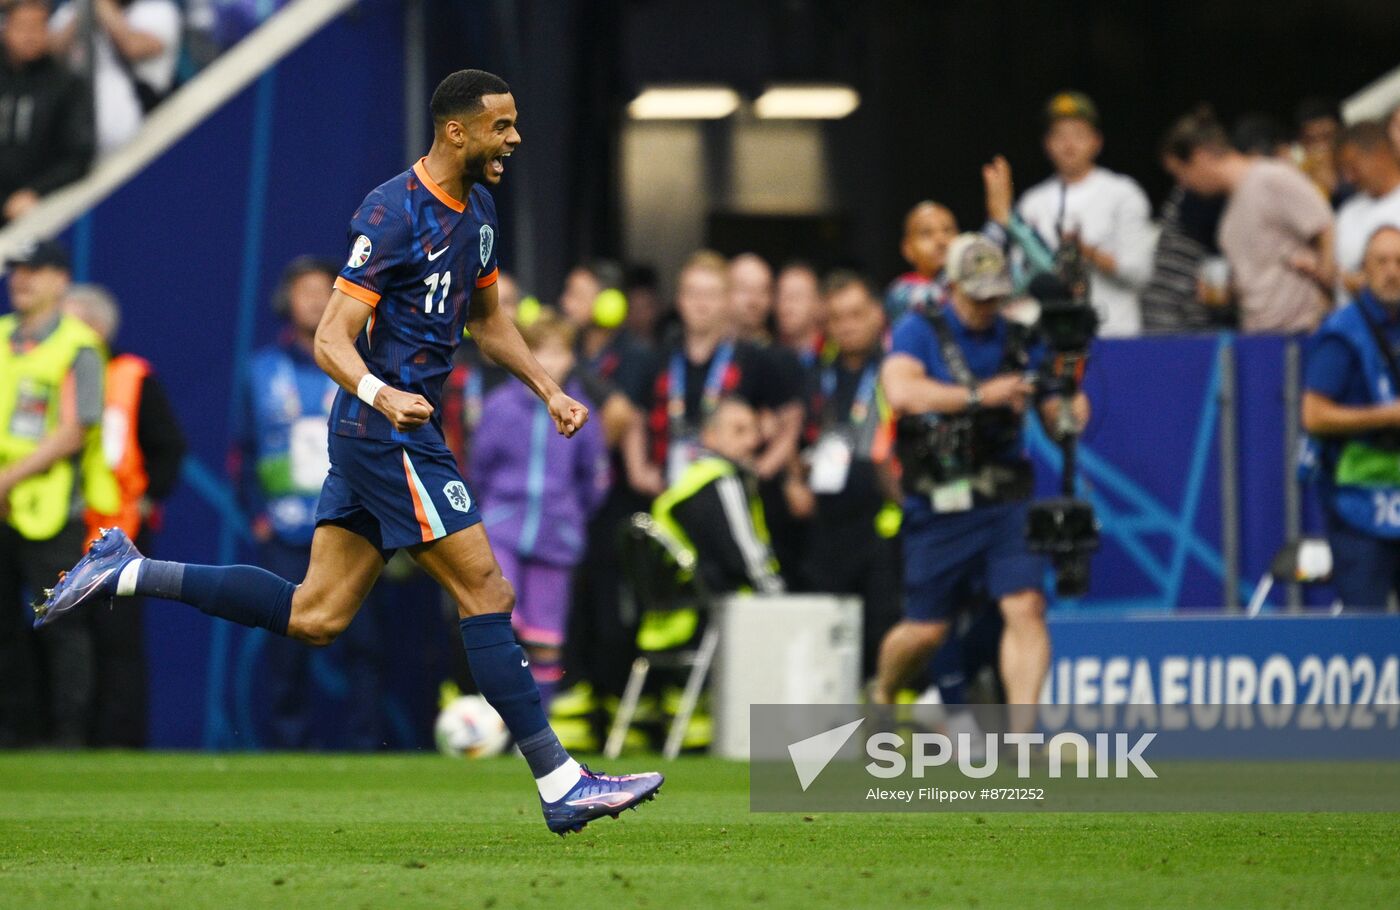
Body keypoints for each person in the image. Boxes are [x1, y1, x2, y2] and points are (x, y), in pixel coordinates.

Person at [35, 69, 661, 833]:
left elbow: (488, 322)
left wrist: (548, 389)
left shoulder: (482, 213)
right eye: (502, 125)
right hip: (387, 433)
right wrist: (383, 395)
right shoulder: (392, 211)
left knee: (317, 613)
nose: (515, 138)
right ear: (456, 130)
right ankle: (561, 782)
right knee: (487, 592)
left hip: (396, 432)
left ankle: (129, 569)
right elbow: (332, 338)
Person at [871, 234, 1088, 726]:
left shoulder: (1018, 339)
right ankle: (883, 690)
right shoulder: (917, 330)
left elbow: (1064, 420)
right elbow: (902, 393)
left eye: (995, 292)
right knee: (924, 631)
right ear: (952, 286)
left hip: (1005, 498)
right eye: (977, 293)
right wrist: (981, 395)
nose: (987, 304)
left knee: (1025, 605)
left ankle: (1023, 735)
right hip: (940, 501)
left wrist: (1068, 386)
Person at [235, 256, 390, 750]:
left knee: (364, 642)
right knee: (286, 648)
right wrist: (258, 518)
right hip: (284, 530)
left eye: (324, 291)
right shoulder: (259, 371)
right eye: (304, 292)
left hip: (351, 528)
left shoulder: (361, 368)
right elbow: (242, 454)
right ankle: (287, 747)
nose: (314, 301)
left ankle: (368, 746)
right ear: (286, 301)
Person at [0, 240, 117, 747]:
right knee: (5, 628)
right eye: (17, 270)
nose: (22, 280)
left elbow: (77, 429)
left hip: (53, 508)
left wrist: (6, 480)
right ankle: (17, 731)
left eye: (35, 270)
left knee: (61, 623)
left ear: (61, 280)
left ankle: (68, 737)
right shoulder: (2, 335)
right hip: (5, 505)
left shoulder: (79, 345)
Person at [63, 283, 185, 748]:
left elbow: (168, 448)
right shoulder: (51, 376)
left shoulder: (132, 376)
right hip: (54, 524)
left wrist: (147, 498)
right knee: (62, 635)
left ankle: (119, 741)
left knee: (117, 640)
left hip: (119, 533)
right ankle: (63, 737)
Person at [470, 312, 608, 709]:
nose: (550, 361)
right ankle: (498, 717)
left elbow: (594, 478)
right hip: (501, 530)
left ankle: (535, 729)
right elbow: (479, 468)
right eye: (539, 351)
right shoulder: (498, 406)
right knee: (499, 614)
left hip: (557, 535)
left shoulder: (583, 411)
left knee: (546, 639)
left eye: (560, 352)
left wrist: (570, 517)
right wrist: (492, 513)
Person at [783, 271, 900, 676]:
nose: (847, 325)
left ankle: (888, 722)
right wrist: (793, 481)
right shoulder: (814, 375)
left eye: (856, 314)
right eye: (837, 317)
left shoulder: (897, 370)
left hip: (882, 523)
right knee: (828, 635)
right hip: (826, 524)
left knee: (883, 628)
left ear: (878, 315)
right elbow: (795, 441)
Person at [1162, 108, 1335, 334]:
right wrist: (1228, 291)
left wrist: (1325, 304)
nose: (1184, 185)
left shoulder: (1270, 177)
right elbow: (1259, 275)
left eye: (1181, 173)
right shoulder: (1230, 211)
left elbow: (1326, 227)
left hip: (1300, 332)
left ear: (1200, 157)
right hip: (1258, 336)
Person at [1301, 225, 1400, 609]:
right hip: (1360, 503)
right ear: (1363, 272)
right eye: (1382, 262)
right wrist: (1387, 416)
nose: (1392, 271)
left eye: (1399, 262)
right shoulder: (1343, 332)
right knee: (1368, 626)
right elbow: (1314, 415)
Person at [1012, 91, 1154, 337]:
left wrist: (1086, 251)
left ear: (1096, 141)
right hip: (1050, 337)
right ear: (1047, 144)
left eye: (1079, 135)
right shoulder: (1032, 202)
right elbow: (1017, 274)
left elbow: (1141, 273)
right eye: (1059, 136)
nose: (1069, 145)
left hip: (1113, 332)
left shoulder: (1123, 192)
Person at [651, 396, 783, 602]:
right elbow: (748, 561)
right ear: (709, 436)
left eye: (754, 430)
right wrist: (780, 603)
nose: (752, 441)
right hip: (715, 618)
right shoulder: (723, 480)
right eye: (739, 431)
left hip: (677, 618)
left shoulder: (692, 478)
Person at [0, 0, 94, 224]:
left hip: (40, 209)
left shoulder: (66, 85)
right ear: (6, 30)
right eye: (22, 27)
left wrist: (35, 191)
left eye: (37, 27)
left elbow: (78, 155)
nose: (29, 36)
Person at [50, 0, 182, 155]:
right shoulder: (74, 11)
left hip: (151, 123)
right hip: (86, 130)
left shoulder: (156, 9)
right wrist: (82, 15)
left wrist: (103, 9)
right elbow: (48, 59)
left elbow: (132, 47)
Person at [1334, 121, 1400, 305]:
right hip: (1355, 326)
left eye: (1353, 166)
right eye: (1344, 170)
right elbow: (1339, 271)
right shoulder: (1347, 212)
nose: (1349, 178)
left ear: (1380, 155)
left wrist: (1372, 285)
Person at [884, 200, 958, 321]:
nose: (941, 240)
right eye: (926, 233)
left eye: (948, 230)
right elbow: (937, 299)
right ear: (907, 249)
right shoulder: (899, 293)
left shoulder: (963, 283)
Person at [774, 261, 826, 367]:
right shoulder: (767, 355)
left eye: (796, 297)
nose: (786, 306)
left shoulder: (833, 354)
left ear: (819, 304)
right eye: (781, 297)